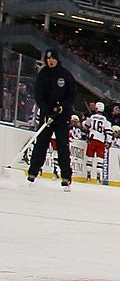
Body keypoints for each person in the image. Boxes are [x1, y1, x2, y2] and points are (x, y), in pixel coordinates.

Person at [26, 50, 77, 190]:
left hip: (61, 118)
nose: (50, 61)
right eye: (48, 59)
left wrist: (63, 106)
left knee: (62, 147)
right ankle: (33, 172)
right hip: (46, 116)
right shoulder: (43, 74)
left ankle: (66, 176)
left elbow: (71, 95)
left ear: (57, 59)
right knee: (40, 145)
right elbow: (39, 94)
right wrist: (45, 109)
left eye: (53, 59)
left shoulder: (65, 75)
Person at [83, 101, 112, 183]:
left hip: (92, 139)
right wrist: (108, 142)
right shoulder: (105, 120)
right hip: (101, 140)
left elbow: (86, 126)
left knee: (90, 157)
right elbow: (109, 132)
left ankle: (88, 175)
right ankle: (99, 176)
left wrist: (84, 123)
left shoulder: (92, 117)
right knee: (100, 158)